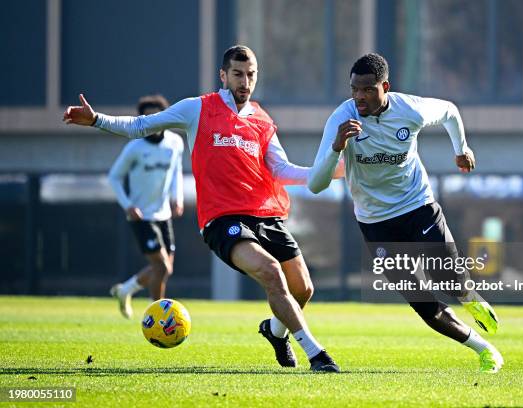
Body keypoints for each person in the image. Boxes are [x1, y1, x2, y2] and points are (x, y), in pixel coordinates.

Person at [63, 45, 340, 373]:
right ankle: (317, 354)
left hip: (266, 214)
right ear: (223, 76)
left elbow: (281, 169)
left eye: (251, 75)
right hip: (223, 219)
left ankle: (276, 333)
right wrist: (96, 120)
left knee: (303, 289)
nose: (245, 81)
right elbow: (141, 126)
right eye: (237, 74)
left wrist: (327, 170)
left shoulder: (263, 120)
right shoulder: (198, 108)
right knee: (270, 272)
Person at [308, 53, 503, 373]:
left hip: (417, 206)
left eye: (368, 90)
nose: (359, 97)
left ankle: (471, 298)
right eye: (354, 90)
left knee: (449, 278)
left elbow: (450, 112)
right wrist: (336, 148)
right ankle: (484, 350)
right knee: (423, 303)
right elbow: (316, 184)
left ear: (385, 87)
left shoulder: (409, 109)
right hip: (375, 222)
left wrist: (461, 149)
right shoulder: (340, 120)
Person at [107, 95, 184, 319]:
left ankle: (125, 290)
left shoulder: (175, 143)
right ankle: (158, 316)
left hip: (164, 214)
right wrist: (128, 205)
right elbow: (114, 177)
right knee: (162, 268)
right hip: (141, 216)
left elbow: (176, 171)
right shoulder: (134, 147)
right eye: (147, 117)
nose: (152, 122)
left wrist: (177, 196)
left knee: (163, 269)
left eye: (156, 117)